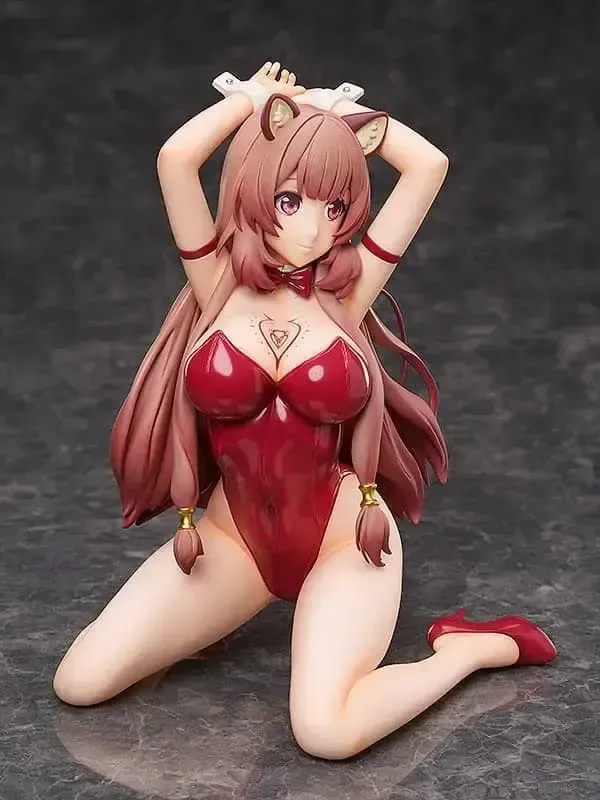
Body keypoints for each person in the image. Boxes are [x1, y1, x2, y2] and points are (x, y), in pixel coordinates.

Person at [53, 62, 556, 760]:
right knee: (80, 681)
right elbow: (176, 159)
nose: (315, 229)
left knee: (327, 733)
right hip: (231, 543)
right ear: (257, 187)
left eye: (335, 208)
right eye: (291, 200)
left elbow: (428, 165)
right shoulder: (214, 285)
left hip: (346, 544)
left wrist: (333, 113)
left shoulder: (348, 293)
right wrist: (252, 102)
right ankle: (208, 621)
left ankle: (467, 652)